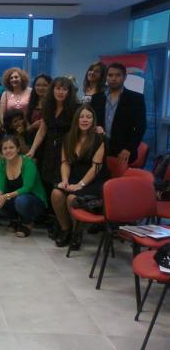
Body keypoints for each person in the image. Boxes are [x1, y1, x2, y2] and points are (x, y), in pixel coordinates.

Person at [51, 105, 108, 248]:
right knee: (56, 194)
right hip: (73, 176)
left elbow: (96, 168)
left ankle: (77, 233)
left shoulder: (99, 139)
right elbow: (65, 162)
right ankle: (65, 229)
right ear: (76, 119)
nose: (85, 120)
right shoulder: (68, 137)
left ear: (93, 120)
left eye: (89, 117)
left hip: (93, 180)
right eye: (82, 117)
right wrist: (65, 180)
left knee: (72, 198)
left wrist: (80, 185)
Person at [91, 62, 146, 165]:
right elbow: (93, 123)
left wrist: (129, 149)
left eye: (118, 75)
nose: (113, 78)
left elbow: (141, 127)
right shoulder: (97, 98)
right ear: (106, 77)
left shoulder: (136, 98)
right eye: (110, 75)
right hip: (99, 149)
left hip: (123, 151)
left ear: (124, 77)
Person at [27, 77, 79, 188]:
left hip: (66, 149)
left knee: (61, 183)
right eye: (58, 88)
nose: (60, 92)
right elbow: (42, 130)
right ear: (52, 90)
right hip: (49, 148)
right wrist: (32, 149)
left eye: (64, 89)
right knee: (47, 181)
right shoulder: (48, 106)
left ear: (69, 92)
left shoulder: (75, 108)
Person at [0, 135, 47, 238]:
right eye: (5, 148)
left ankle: (28, 223)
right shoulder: (2, 163)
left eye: (11, 147)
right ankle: (14, 220)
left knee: (21, 201)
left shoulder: (28, 162)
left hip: (33, 200)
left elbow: (27, 188)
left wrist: (6, 196)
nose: (8, 151)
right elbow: (0, 186)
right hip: (14, 198)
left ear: (18, 149)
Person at [25, 74, 52, 141]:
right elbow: (27, 128)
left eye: (45, 85)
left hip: (49, 140)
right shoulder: (31, 104)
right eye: (38, 85)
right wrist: (32, 126)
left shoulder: (54, 104)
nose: (40, 88)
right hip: (32, 140)